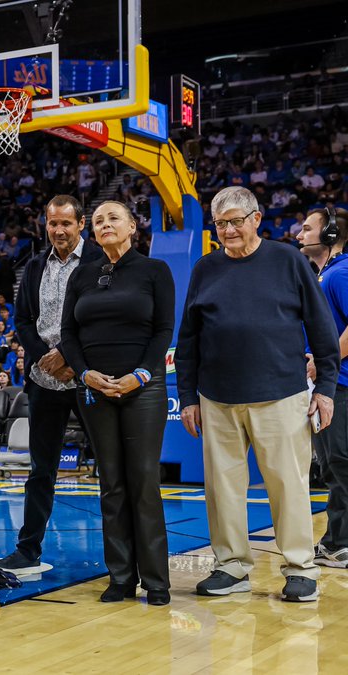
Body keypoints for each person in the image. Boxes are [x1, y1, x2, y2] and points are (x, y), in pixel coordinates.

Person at [176, 186, 338, 602]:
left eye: (235, 221)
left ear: (256, 219)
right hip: (217, 397)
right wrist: (188, 396)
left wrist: (325, 389)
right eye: (220, 224)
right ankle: (231, 566)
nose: (228, 230)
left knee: (287, 485)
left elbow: (322, 327)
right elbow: (189, 337)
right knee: (222, 489)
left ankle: (300, 567)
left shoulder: (288, 260)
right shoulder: (205, 268)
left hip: (280, 393)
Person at [58, 200, 175, 605]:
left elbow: (164, 330)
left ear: (132, 227)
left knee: (143, 481)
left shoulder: (154, 270)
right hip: (95, 389)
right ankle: (121, 577)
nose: (105, 224)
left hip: (143, 387)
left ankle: (156, 581)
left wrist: (140, 374)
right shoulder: (82, 274)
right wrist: (83, 373)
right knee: (111, 483)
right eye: (98, 220)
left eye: (113, 218)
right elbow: (68, 334)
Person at [0, 195, 105, 575]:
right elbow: (24, 321)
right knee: (41, 471)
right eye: (52, 223)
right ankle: (28, 549)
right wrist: (47, 357)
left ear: (81, 224)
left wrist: (71, 361)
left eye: (66, 223)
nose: (58, 230)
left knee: (110, 467)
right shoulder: (35, 265)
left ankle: (122, 549)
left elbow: (101, 319)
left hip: (87, 378)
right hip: (44, 379)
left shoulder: (100, 260)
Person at [305, 206, 348, 568]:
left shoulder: (340, 273)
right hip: (331, 384)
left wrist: (323, 360)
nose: (299, 233)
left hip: (341, 386)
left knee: (339, 464)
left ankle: (341, 542)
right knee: (333, 467)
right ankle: (336, 541)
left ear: (331, 234)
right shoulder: (326, 274)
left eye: (307, 228)